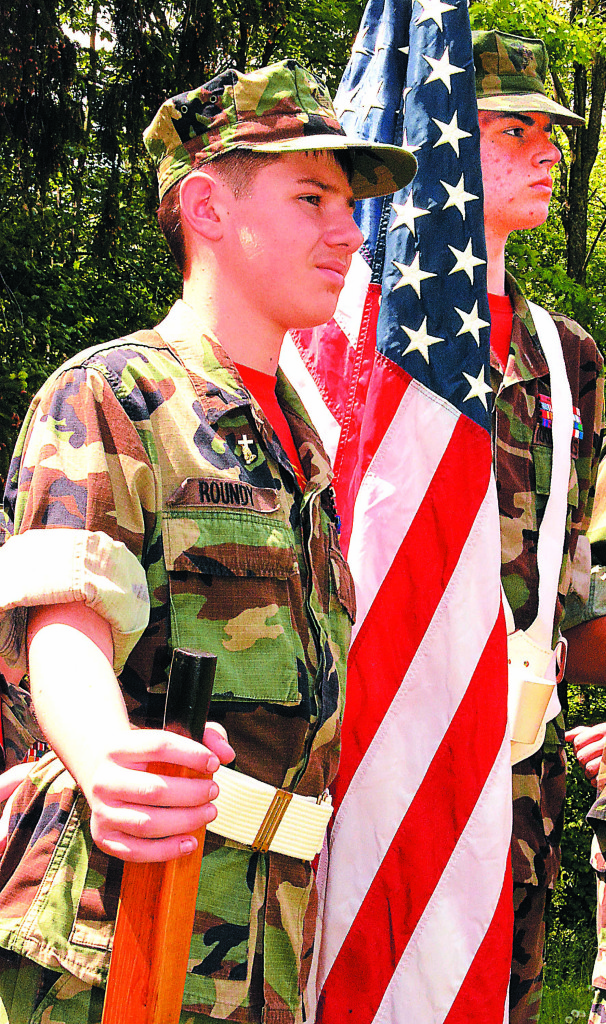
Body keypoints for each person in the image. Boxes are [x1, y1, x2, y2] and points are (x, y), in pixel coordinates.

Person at [0, 59, 416, 1023]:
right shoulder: (114, 394)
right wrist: (107, 757)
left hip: (272, 924)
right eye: (312, 197)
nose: (348, 234)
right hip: (123, 926)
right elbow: (64, 625)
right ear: (208, 209)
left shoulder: (296, 441)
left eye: (349, 206)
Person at [473, 29, 605, 1024]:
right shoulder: (344, 335)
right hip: (374, 761)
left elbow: (584, 590)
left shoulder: (568, 359)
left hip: (521, 783)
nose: (550, 150)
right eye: (514, 129)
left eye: (551, 131)